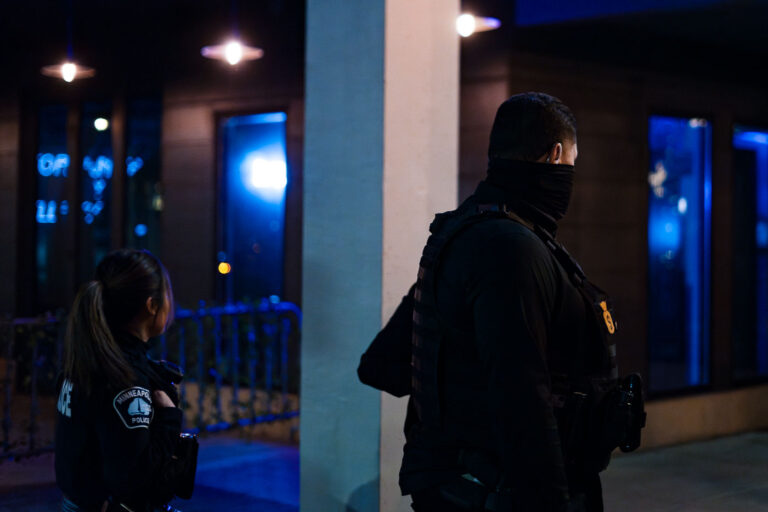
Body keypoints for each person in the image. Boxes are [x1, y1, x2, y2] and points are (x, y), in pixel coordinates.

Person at [359, 92, 644, 512]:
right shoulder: (512, 248)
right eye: (572, 164)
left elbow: (384, 364)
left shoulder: (461, 235)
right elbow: (523, 399)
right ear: (556, 155)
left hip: (457, 483)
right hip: (493, 491)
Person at [55, 249, 196, 512]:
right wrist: (168, 416)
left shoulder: (87, 359)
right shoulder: (123, 378)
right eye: (167, 295)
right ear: (151, 306)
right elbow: (136, 480)